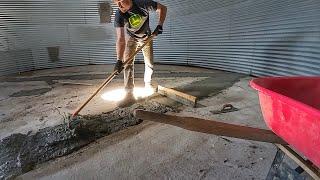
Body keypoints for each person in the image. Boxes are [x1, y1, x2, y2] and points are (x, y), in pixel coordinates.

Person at [113, 0, 167, 107]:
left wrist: (159, 25)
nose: (119, 5)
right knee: (127, 64)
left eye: (121, 1)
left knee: (149, 63)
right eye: (115, 2)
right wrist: (119, 60)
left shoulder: (143, 3)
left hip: (147, 38)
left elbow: (163, 8)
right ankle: (129, 94)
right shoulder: (119, 15)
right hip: (131, 38)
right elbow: (120, 39)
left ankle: (148, 84)